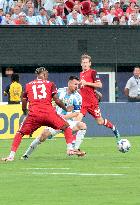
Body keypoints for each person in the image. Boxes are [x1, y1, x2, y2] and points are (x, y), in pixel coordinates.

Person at [2, 67, 83, 162]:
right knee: (66, 127)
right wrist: (66, 108)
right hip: (49, 113)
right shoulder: (50, 84)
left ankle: (11, 156)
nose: (47, 76)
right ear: (43, 74)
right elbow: (56, 100)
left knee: (20, 133)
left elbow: (24, 104)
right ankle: (69, 149)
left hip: (34, 114)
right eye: (47, 74)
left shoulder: (28, 85)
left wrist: (26, 114)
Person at [21, 76, 87, 160]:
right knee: (42, 136)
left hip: (67, 122)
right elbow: (50, 101)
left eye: (78, 84)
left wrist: (63, 117)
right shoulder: (60, 91)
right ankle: (26, 155)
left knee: (82, 126)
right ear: (69, 83)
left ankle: (75, 149)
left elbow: (77, 112)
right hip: (54, 121)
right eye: (75, 84)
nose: (76, 86)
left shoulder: (77, 97)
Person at [76, 54, 121, 141]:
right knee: (77, 121)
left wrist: (86, 83)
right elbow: (84, 87)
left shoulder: (93, 72)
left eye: (86, 62)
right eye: (83, 62)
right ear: (81, 64)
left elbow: (99, 85)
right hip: (83, 104)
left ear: (90, 63)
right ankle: (74, 144)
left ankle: (113, 128)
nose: (85, 64)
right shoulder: (81, 74)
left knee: (100, 122)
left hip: (92, 103)